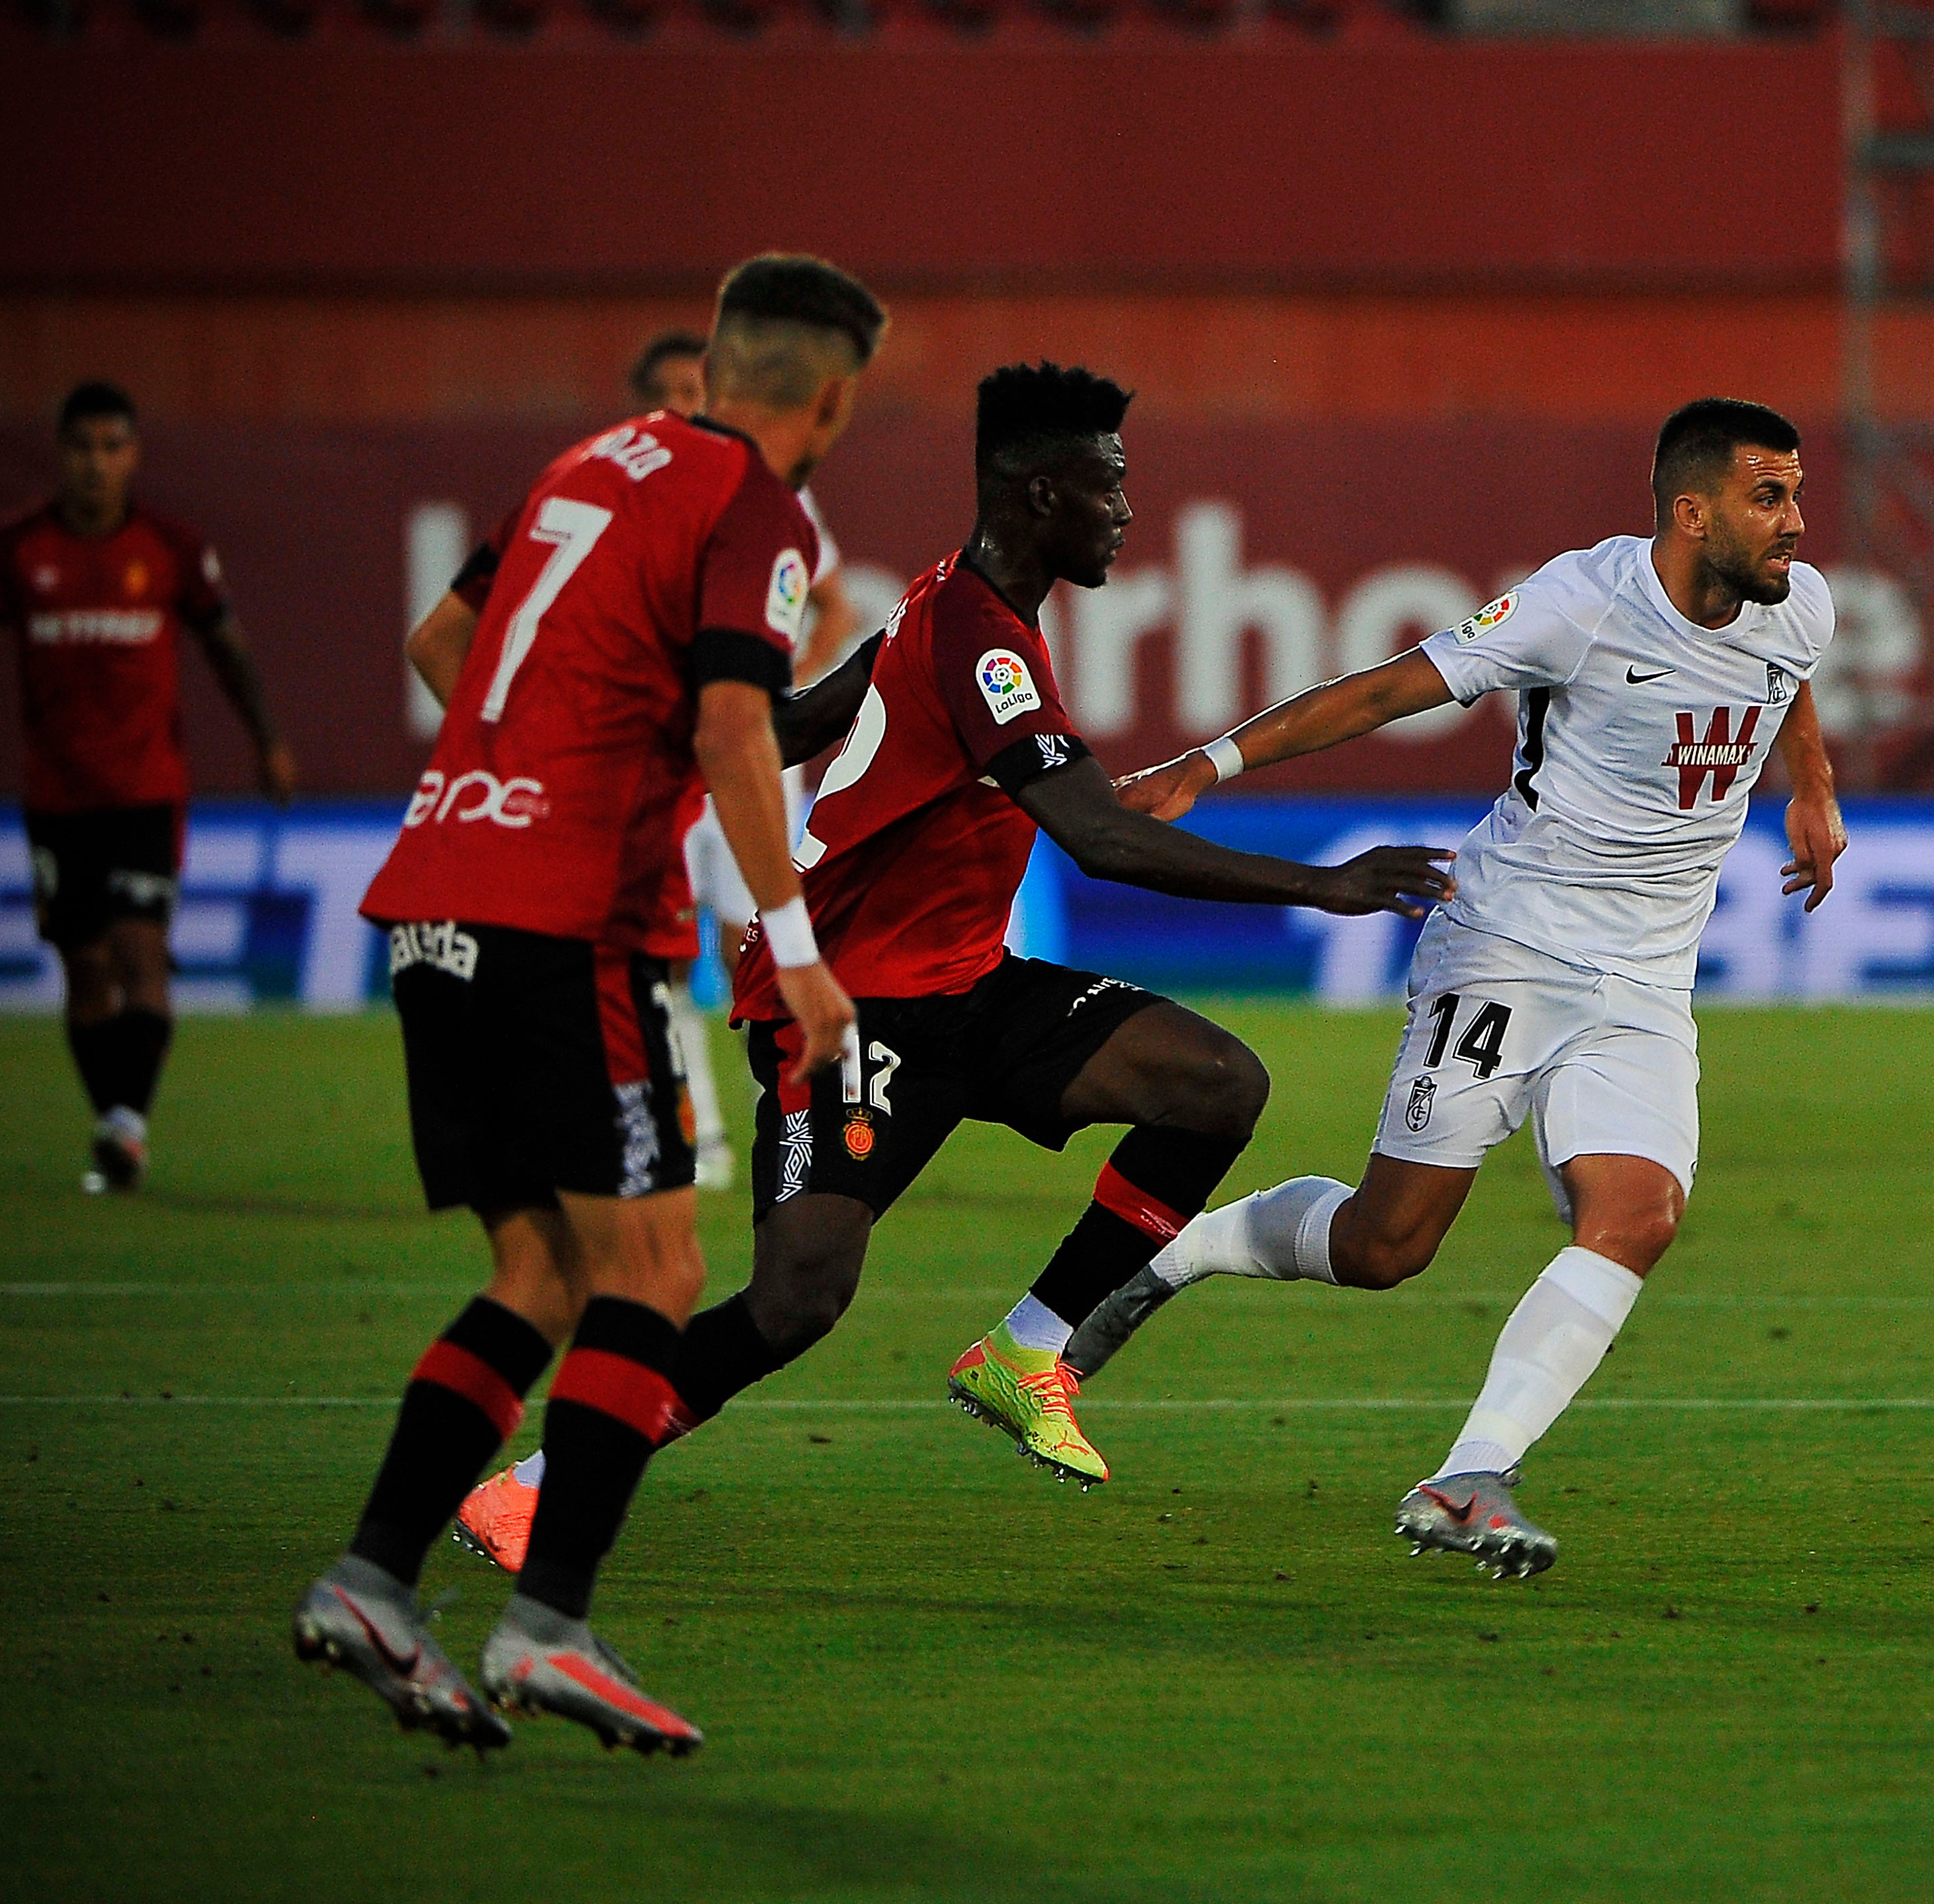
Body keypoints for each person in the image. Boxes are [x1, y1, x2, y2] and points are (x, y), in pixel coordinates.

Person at [443, 362, 1448, 1568]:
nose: (1129, 511)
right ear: (1037, 495)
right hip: (848, 1010)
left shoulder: (950, 605)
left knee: (1214, 1081)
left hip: (966, 984)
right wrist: (1321, 885)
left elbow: (809, 718)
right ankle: (543, 1482)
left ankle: (1031, 1347)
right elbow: (1098, 836)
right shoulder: (982, 641)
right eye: (1109, 486)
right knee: (794, 1303)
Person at [1083, 397, 1843, 1579]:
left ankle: (1469, 1472)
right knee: (1388, 1246)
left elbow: (1785, 676)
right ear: (1693, 513)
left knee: (1637, 1213)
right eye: (1770, 497)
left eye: (1797, 492)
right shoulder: (1578, 605)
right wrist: (1206, 763)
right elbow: (1390, 688)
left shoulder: (1799, 601)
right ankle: (1174, 1254)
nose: (1797, 520)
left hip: (1646, 980)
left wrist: (1815, 786)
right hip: (1506, 948)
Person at [290, 255, 880, 1757]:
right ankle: (548, 1628)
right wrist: (797, 946)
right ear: (829, 395)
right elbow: (735, 720)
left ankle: (370, 1583)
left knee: (543, 1269)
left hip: (431, 897)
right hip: (569, 925)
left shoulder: (584, 463)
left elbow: (442, 644)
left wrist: (532, 767)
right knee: (660, 1267)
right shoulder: (759, 507)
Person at [0, 382, 294, 1192]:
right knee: (85, 969)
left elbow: (228, 648)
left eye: (111, 446)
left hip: (148, 791)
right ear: (61, 454)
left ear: (133, 455)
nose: (96, 463)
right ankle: (115, 1122)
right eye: (82, 447)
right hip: (57, 796)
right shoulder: (18, 550)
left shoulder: (170, 548)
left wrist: (267, 744)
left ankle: (126, 1124)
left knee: (140, 952)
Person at [631, 327, 859, 1189]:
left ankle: (787, 1118)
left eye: (699, 390)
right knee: (653, 951)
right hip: (661, 761)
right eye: (671, 394)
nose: (686, 408)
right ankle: (695, 1126)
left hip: (745, 758)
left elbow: (834, 607)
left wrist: (780, 685)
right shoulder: (640, 498)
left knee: (747, 950)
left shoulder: (777, 502)